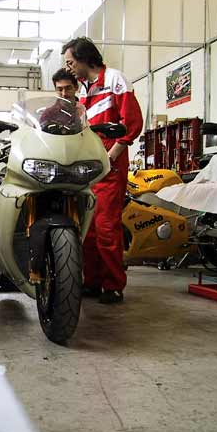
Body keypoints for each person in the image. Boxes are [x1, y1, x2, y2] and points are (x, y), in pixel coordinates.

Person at [63, 37, 143, 304]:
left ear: (85, 58)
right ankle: (93, 281)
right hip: (87, 167)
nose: (69, 68)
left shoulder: (116, 80)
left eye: (71, 62)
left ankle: (113, 285)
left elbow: (132, 124)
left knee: (107, 227)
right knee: (87, 227)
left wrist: (111, 157)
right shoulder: (83, 90)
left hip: (110, 166)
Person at [39, 68, 86, 134]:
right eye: (60, 89)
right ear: (55, 90)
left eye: (68, 88)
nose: (64, 94)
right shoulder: (48, 114)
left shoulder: (85, 110)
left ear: (76, 87)